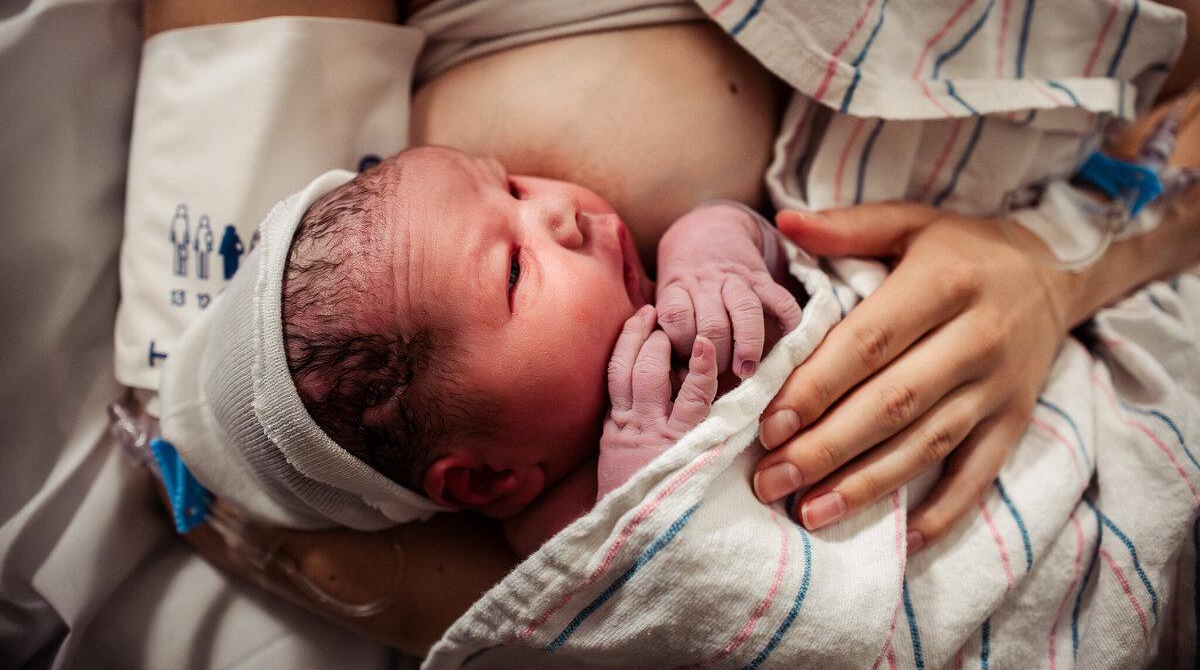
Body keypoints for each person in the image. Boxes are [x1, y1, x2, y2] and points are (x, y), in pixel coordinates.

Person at [139, 0, 1200, 655]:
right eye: (509, 256)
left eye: (512, 187)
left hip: (1080, 392)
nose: (557, 215)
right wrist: (651, 557)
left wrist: (1050, 270)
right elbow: (217, 436)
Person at [160, 144, 804, 556]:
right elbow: (670, 607)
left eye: (513, 190)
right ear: (484, 478)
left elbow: (765, 241)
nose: (559, 208)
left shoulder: (672, 282)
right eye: (515, 272)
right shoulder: (562, 540)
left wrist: (709, 250)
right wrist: (641, 488)